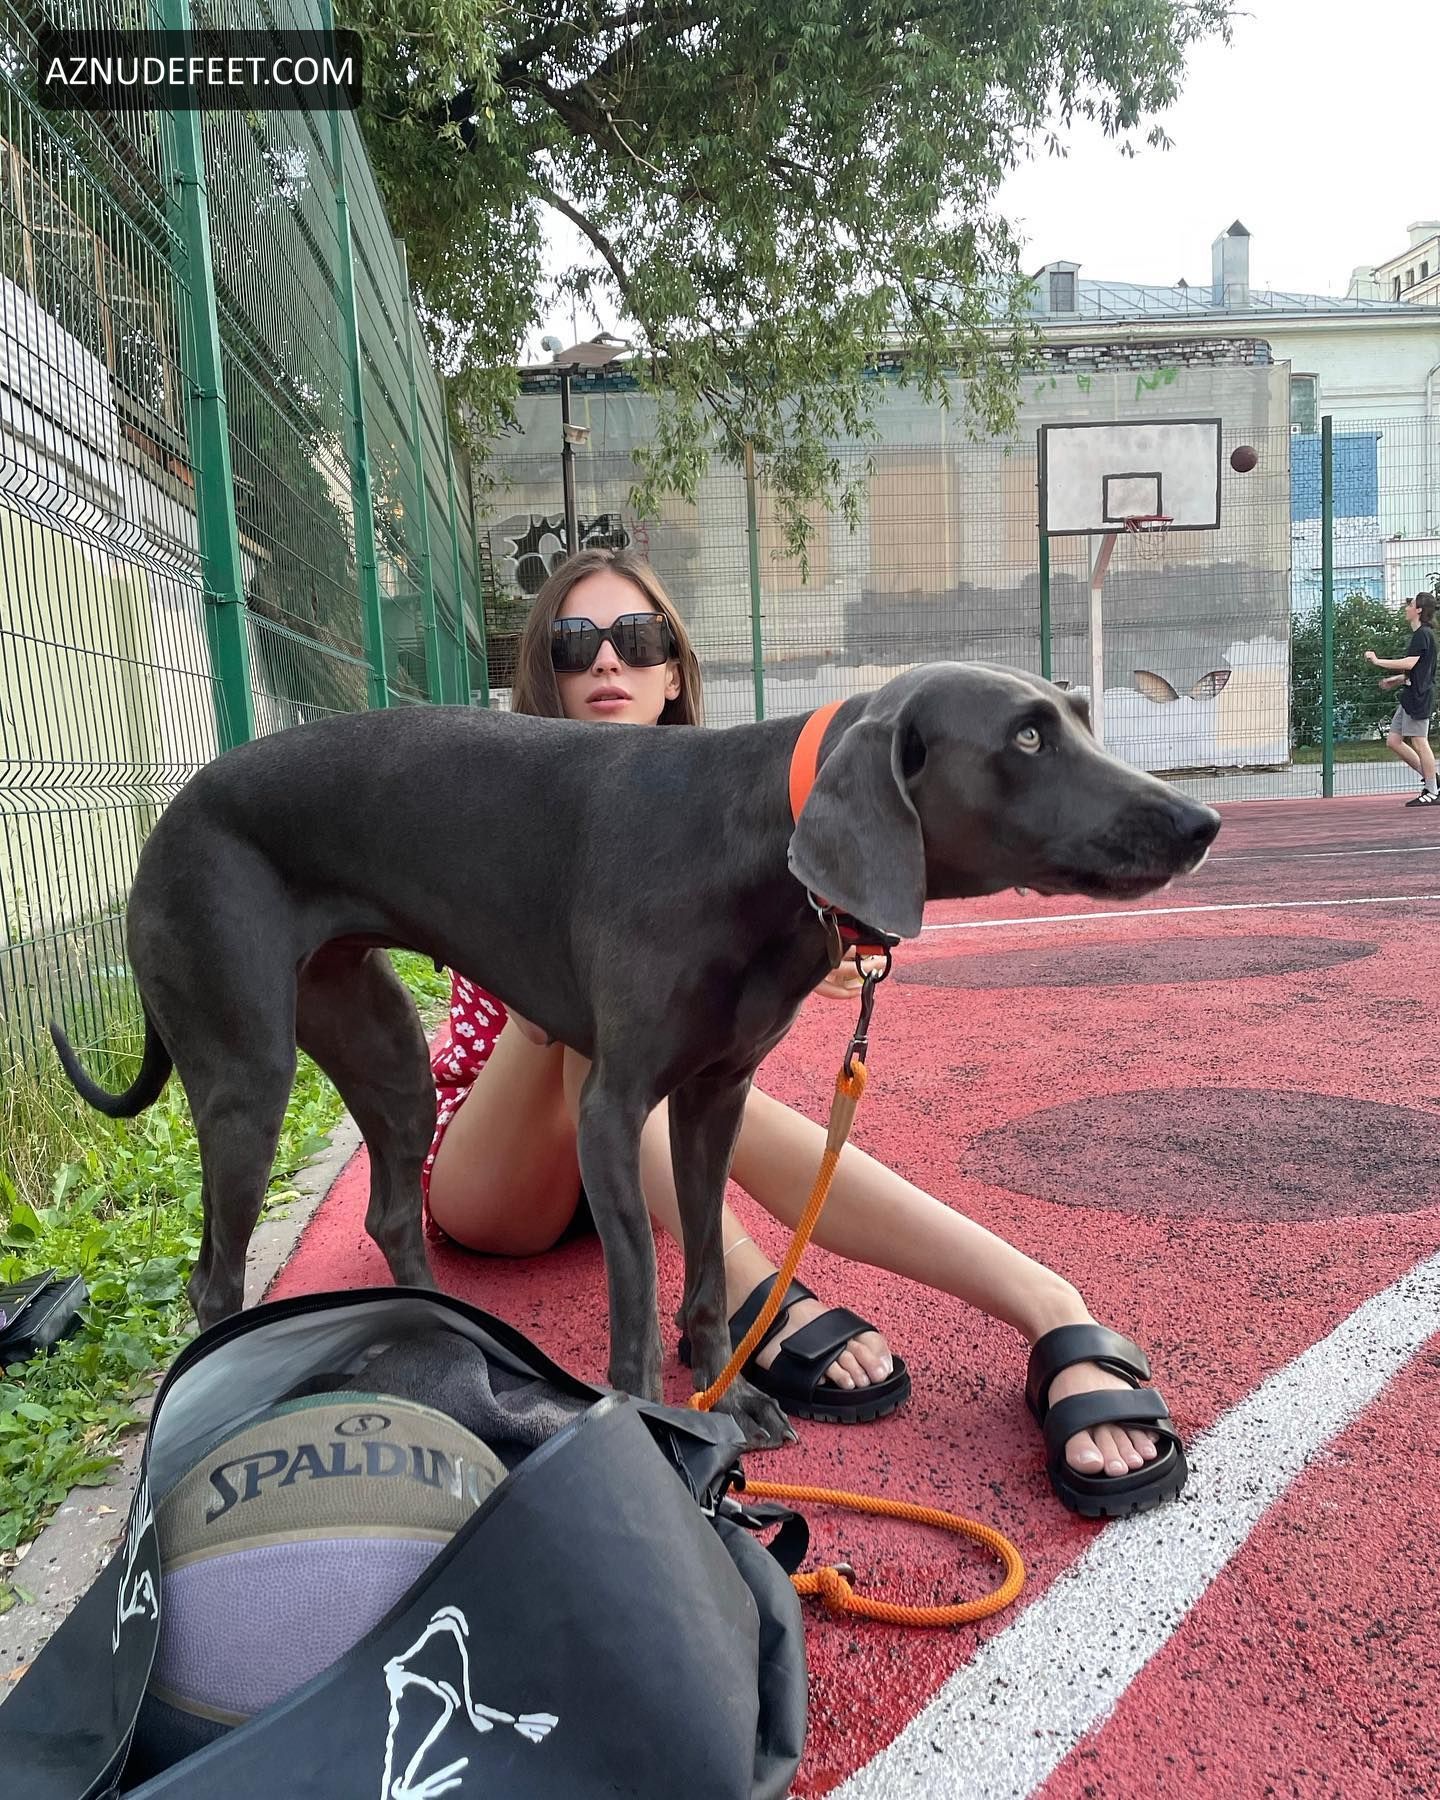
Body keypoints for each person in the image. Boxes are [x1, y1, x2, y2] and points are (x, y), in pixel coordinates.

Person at [421, 547, 1185, 1515]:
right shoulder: (508, 792)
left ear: (673, 672)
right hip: (496, 1165)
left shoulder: (722, 810)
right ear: (547, 674)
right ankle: (748, 1300)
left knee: (726, 1096)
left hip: (615, 1174)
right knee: (606, 1026)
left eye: (637, 639)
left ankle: (1046, 1303)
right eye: (575, 644)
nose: (607, 661)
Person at [1366, 594, 1438, 806]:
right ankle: (1433, 779)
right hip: (1409, 695)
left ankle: (1432, 791)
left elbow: (1409, 663)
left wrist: (1377, 661)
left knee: (1419, 741)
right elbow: (1419, 669)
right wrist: (1397, 680)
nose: (1407, 608)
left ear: (1419, 610)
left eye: (1411, 605)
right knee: (1394, 741)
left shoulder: (1423, 634)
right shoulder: (1420, 635)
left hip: (1419, 697)